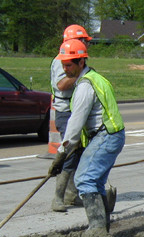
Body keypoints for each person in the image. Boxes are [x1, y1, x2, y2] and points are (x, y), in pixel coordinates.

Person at [48, 39, 125, 237]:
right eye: (63, 65)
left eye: (69, 65)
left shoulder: (85, 86)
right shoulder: (94, 78)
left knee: (85, 179)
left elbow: (75, 123)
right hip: (109, 134)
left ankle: (98, 229)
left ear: (81, 62)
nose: (65, 69)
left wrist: (61, 154)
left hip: (106, 135)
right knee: (96, 182)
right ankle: (102, 228)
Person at [50, 24, 92, 212]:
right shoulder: (61, 60)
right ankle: (58, 197)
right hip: (65, 112)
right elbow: (62, 85)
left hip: (74, 111)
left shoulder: (77, 59)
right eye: (84, 40)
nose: (86, 44)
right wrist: (81, 74)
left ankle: (72, 195)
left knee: (78, 153)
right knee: (69, 152)